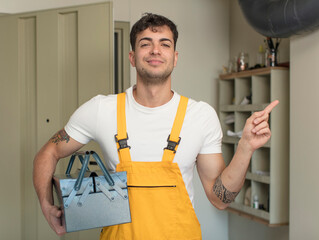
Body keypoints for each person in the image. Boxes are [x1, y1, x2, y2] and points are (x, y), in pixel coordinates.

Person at [33, 13, 279, 239]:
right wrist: (46, 205)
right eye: (145, 43)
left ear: (175, 57)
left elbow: (220, 199)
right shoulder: (101, 110)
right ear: (132, 57)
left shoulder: (200, 116)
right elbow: (49, 152)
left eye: (165, 44)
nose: (155, 50)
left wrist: (245, 147)